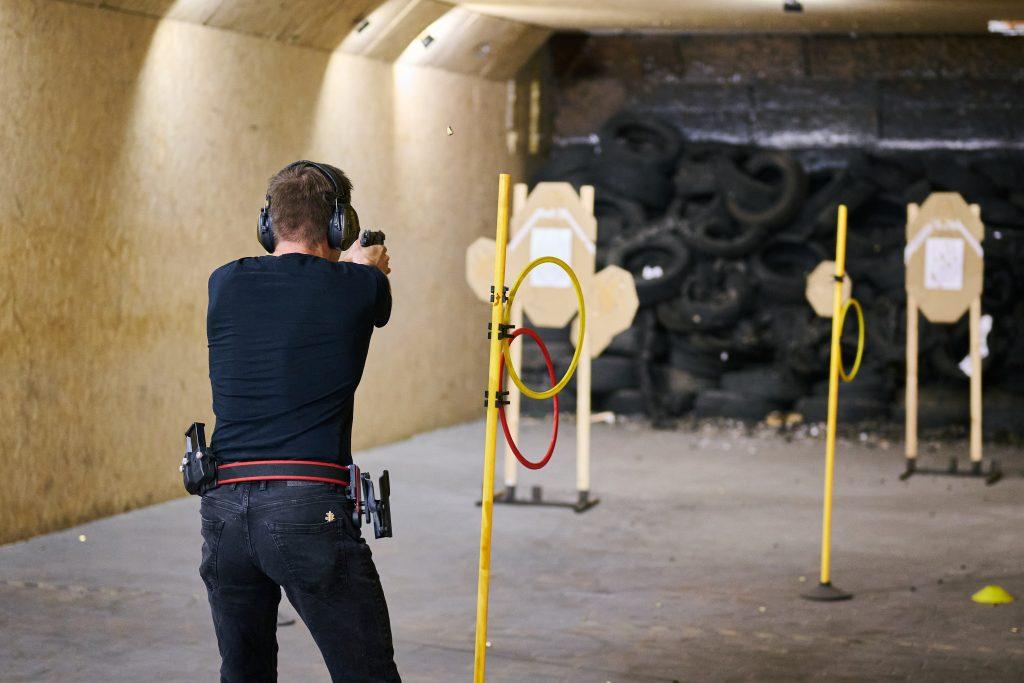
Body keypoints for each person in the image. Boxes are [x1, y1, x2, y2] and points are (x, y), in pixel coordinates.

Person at [199, 161, 400, 682]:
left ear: (268, 224)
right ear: (340, 225)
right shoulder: (359, 285)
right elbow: (370, 300)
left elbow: (300, 290)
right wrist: (364, 264)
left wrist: (350, 268)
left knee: (244, 674)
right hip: (307, 510)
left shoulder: (224, 282)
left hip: (223, 510)